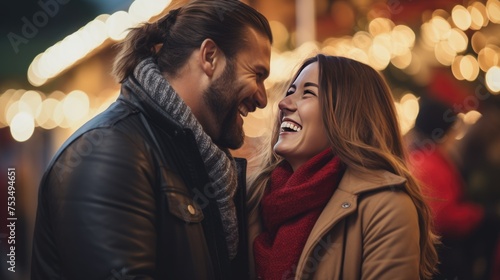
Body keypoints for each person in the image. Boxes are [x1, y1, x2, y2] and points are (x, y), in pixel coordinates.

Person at [31, 1, 272, 279]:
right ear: (209, 57)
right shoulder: (110, 153)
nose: (263, 99)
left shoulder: (198, 160)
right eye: (257, 74)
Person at [246, 54, 439, 280]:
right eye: (290, 92)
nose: (284, 103)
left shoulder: (386, 205)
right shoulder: (255, 197)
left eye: (307, 93)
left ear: (346, 114)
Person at [407, 96, 495, 279]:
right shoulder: (431, 164)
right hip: (441, 253)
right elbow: (442, 216)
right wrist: (479, 215)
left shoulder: (418, 156)